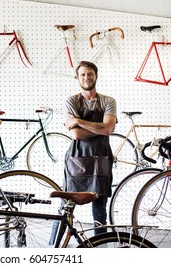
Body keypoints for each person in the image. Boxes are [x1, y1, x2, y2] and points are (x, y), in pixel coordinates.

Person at [64, 60, 117, 236]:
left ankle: (99, 250)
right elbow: (76, 136)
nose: (87, 77)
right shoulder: (71, 101)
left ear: (96, 76)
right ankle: (54, 248)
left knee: (100, 210)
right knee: (66, 207)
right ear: (77, 78)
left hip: (101, 158)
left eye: (90, 74)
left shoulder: (108, 101)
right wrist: (100, 128)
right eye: (83, 74)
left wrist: (78, 121)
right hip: (76, 159)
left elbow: (108, 128)